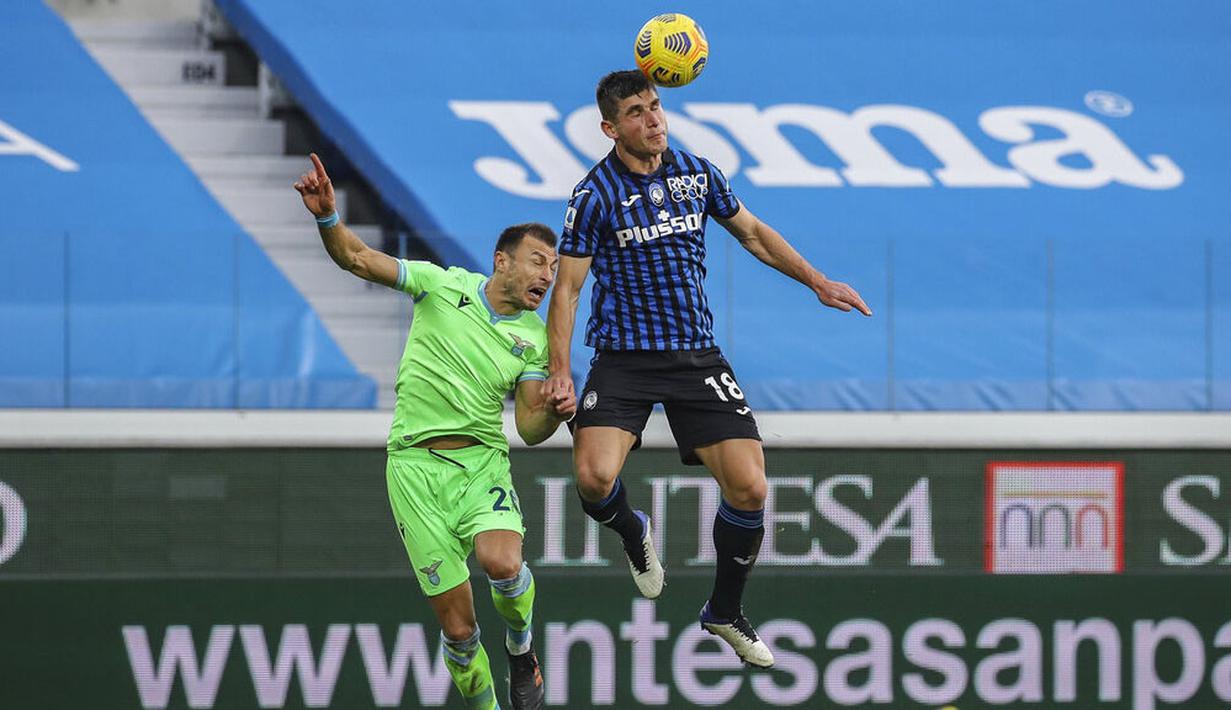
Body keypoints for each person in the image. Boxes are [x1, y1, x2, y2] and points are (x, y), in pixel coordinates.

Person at [544, 71, 871, 669]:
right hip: (623, 359)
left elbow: (751, 233)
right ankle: (632, 530)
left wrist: (818, 282)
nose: (654, 120)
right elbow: (566, 290)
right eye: (638, 112)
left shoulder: (698, 173)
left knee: (750, 486)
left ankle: (724, 611)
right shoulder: (593, 195)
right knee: (593, 480)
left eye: (657, 106)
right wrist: (561, 370)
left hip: (695, 356)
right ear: (610, 128)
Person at [295, 153, 574, 710]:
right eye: (538, 261)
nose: (548, 275)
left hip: (480, 464)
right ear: (502, 262)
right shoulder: (441, 286)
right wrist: (328, 217)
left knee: (503, 563)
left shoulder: (535, 340)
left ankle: (522, 648)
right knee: (460, 631)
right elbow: (357, 259)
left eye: (553, 267)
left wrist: (555, 412)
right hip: (413, 470)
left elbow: (527, 426)